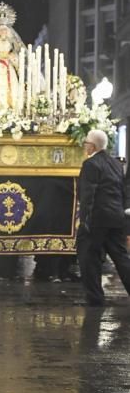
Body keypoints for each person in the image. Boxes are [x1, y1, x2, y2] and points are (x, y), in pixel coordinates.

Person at [76, 129, 130, 306]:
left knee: (89, 257)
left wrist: (84, 220)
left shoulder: (90, 164)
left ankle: (95, 298)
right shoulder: (115, 164)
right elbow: (122, 191)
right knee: (121, 258)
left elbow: (88, 195)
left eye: (86, 144)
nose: (85, 147)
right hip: (116, 218)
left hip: (97, 219)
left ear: (92, 146)